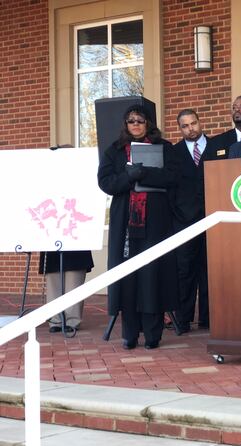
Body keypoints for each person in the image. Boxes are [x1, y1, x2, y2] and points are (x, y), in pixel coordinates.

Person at [97, 105, 179, 350]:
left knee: (152, 274)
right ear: (126, 124)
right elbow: (105, 182)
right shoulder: (114, 150)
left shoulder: (164, 147)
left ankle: (153, 334)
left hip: (155, 221)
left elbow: (172, 177)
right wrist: (128, 177)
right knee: (128, 276)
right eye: (131, 121)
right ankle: (130, 333)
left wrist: (143, 174)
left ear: (148, 124)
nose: (135, 124)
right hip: (125, 223)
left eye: (140, 120)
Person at [170, 109, 226, 332]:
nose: (190, 129)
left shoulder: (218, 148)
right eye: (185, 126)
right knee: (184, 270)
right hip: (184, 221)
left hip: (214, 218)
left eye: (193, 123)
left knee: (210, 270)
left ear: (200, 122)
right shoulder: (173, 153)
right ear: (180, 128)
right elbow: (170, 188)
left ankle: (208, 319)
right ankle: (183, 320)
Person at [39, 250, 94, 333]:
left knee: (74, 284)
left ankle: (72, 321)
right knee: (53, 285)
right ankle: (55, 320)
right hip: (52, 246)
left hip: (76, 246)